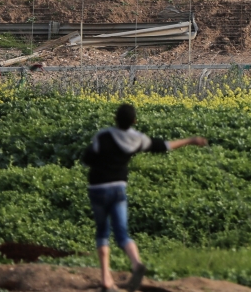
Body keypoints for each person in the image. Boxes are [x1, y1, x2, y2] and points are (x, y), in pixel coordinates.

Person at [82, 104, 208, 292]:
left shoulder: (103, 135)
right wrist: (191, 140)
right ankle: (136, 263)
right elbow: (164, 146)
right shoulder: (136, 139)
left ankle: (106, 281)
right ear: (134, 121)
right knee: (122, 233)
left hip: (98, 188)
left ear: (115, 118)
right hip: (118, 189)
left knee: (102, 232)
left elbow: (87, 158)